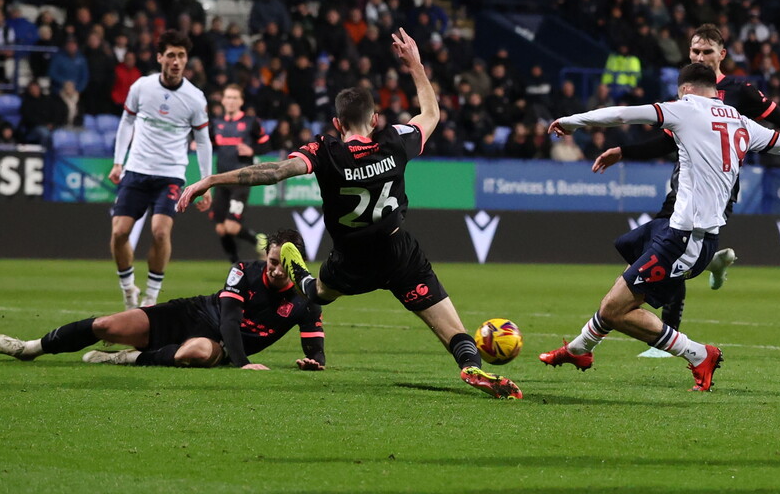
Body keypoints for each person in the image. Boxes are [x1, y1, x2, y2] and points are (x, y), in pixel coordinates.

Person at [177, 28, 522, 400]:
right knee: (451, 329)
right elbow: (432, 113)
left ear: (337, 125)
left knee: (316, 293)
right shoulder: (395, 140)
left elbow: (273, 171)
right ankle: (470, 365)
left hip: (351, 259)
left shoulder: (326, 151)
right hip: (399, 253)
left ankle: (298, 267)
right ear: (374, 120)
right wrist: (415, 66)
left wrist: (211, 178)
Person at [539, 63, 780, 391]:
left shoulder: (685, 109)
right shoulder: (741, 121)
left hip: (687, 239)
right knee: (624, 281)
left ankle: (699, 354)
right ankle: (579, 350)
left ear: (685, 89)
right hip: (672, 227)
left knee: (614, 309)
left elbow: (622, 114)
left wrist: (572, 122)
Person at [593, 24, 780, 358]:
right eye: (695, 51)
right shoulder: (689, 90)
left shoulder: (740, 91)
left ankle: (668, 331)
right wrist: (625, 152)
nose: (700, 57)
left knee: (668, 249)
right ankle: (706, 267)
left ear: (722, 54)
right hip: (682, 181)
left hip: (718, 187)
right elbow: (666, 141)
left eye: (707, 52)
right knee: (655, 248)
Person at [0, 230, 325, 371]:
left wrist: (313, 363)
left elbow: (315, 348)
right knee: (106, 324)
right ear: (266, 257)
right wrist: (243, 363)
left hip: (216, 343)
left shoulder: (306, 300)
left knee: (196, 352)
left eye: (284, 264)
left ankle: (128, 358)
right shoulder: (242, 271)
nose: (277, 270)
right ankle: (29, 348)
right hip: (193, 314)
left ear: (297, 263)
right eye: (272, 262)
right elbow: (230, 319)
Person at [110, 29, 213, 310]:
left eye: (181, 55)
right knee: (119, 233)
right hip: (136, 170)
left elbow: (203, 140)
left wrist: (205, 182)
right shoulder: (141, 88)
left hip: (171, 174)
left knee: (160, 232)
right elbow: (126, 123)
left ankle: (151, 296)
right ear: (160, 58)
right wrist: (119, 161)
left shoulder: (195, 98)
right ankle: (128, 287)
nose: (176, 61)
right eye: (171, 55)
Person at [209, 83, 271, 263]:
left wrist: (252, 150)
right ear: (222, 100)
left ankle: (260, 241)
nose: (230, 101)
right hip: (220, 181)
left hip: (241, 181)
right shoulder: (216, 123)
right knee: (221, 228)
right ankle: (235, 263)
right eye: (227, 97)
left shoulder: (251, 123)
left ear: (241, 101)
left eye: (234, 98)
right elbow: (209, 143)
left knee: (231, 226)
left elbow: (267, 144)